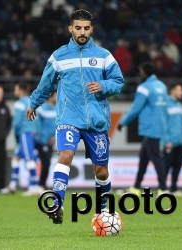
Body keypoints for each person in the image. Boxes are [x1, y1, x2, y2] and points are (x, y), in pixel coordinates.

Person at [26, 9, 124, 224]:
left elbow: (119, 83)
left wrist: (103, 85)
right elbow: (46, 84)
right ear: (70, 28)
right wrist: (34, 103)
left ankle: (103, 210)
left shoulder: (104, 56)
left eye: (86, 28)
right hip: (68, 117)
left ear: (92, 29)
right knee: (66, 155)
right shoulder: (59, 56)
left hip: (96, 121)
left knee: (101, 171)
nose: (82, 32)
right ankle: (57, 203)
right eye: (78, 28)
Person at [117, 62, 168, 196]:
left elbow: (136, 108)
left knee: (156, 158)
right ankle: (136, 187)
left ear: (144, 73)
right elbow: (165, 107)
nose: (140, 74)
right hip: (159, 125)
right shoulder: (162, 86)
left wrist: (123, 122)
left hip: (149, 127)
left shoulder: (144, 88)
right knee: (144, 158)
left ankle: (163, 189)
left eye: (141, 72)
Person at [0, 82, 40, 196]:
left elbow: (16, 122)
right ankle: (12, 185)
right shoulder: (31, 102)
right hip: (30, 133)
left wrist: (16, 134)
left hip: (24, 133)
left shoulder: (20, 103)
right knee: (16, 157)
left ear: (21, 90)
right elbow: (37, 119)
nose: (14, 91)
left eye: (16, 89)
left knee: (29, 159)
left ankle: (34, 187)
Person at [162, 84, 182, 196]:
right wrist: (166, 140)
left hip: (180, 142)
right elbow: (162, 124)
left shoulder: (179, 105)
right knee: (166, 166)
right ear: (173, 91)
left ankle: (174, 188)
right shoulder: (165, 104)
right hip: (170, 142)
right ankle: (162, 188)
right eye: (180, 90)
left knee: (178, 165)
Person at [35, 91, 57, 191]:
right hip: (42, 141)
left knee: (47, 163)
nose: (58, 97)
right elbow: (38, 125)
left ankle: (41, 185)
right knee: (46, 163)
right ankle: (40, 184)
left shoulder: (58, 109)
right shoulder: (43, 109)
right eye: (56, 95)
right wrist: (42, 137)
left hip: (51, 141)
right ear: (50, 97)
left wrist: (54, 137)